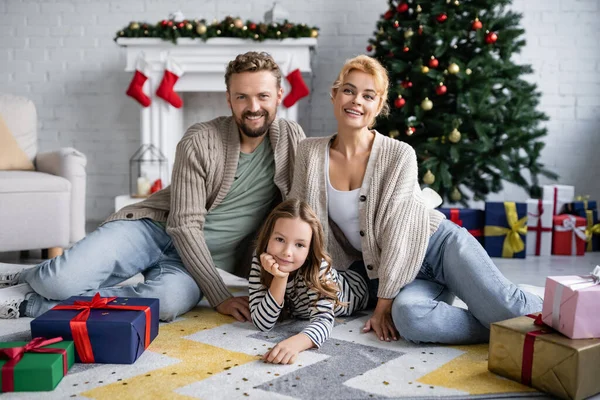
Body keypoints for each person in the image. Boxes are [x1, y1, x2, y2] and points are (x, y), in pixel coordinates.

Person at [0, 51, 306, 322]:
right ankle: (27, 274)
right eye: (242, 97)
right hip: (151, 230)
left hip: (194, 262)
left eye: (263, 96)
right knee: (59, 281)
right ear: (228, 98)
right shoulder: (201, 139)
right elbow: (184, 225)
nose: (253, 107)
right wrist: (220, 295)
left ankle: (28, 304)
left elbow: (306, 204)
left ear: (279, 94)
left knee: (166, 304)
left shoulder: (291, 140)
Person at [289, 55, 543, 345]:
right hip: (403, 275)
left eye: (368, 95)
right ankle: (505, 327)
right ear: (334, 95)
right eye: (348, 90)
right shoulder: (308, 153)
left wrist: (383, 306)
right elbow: (299, 222)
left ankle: (550, 311)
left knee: (510, 309)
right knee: (412, 320)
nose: (356, 100)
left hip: (439, 249)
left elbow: (398, 235)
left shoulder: (399, 155)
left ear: (379, 106)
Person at [249, 199, 368, 364]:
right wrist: (280, 277)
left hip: (363, 284)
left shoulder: (316, 265)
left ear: (310, 249)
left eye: (299, 244)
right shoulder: (261, 258)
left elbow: (324, 320)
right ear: (268, 236)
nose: (287, 252)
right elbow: (262, 323)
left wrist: (295, 344)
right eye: (280, 239)